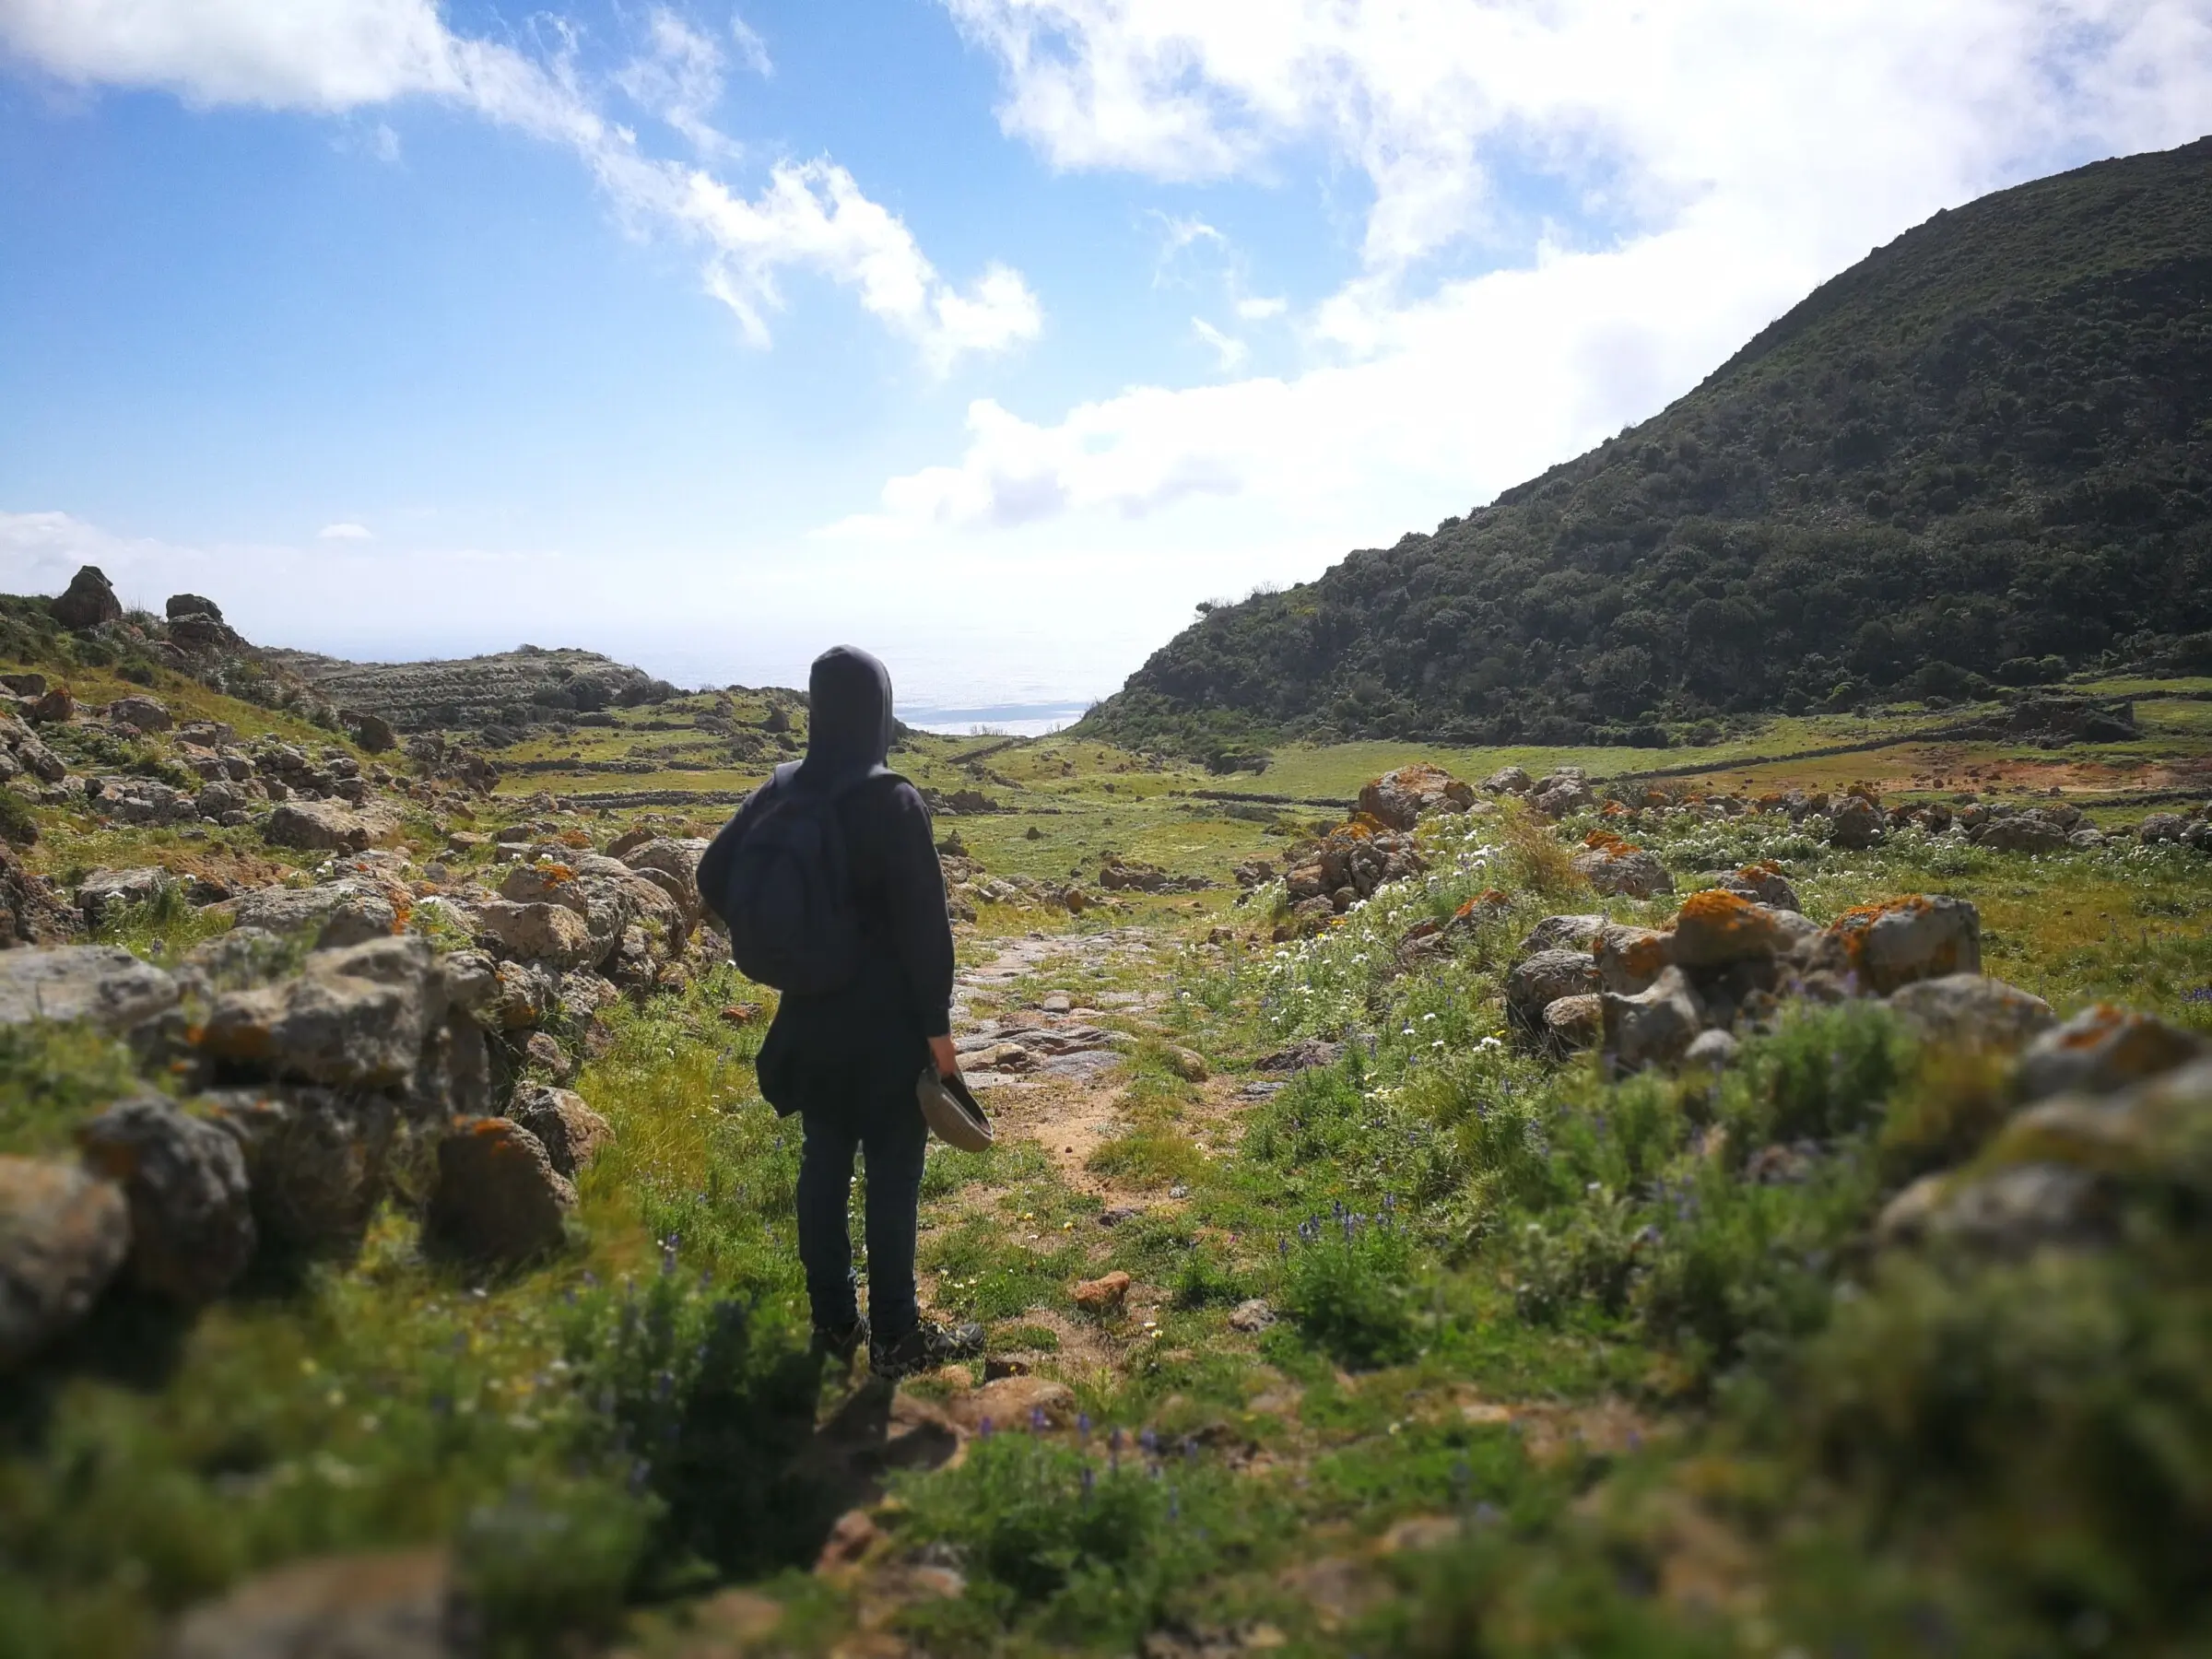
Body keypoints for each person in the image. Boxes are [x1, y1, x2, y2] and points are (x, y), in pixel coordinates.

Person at [699, 645, 983, 1380]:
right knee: (892, 1182)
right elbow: (928, 938)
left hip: (810, 1018)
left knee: (822, 1167)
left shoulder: (783, 788)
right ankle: (897, 1338)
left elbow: (711, 873)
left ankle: (832, 1322)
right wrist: (941, 1043)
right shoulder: (893, 800)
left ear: (816, 709)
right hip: (887, 1029)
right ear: (879, 711)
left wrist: (792, 946)